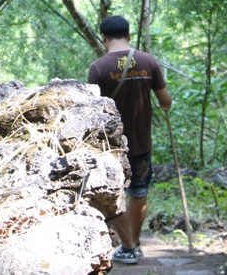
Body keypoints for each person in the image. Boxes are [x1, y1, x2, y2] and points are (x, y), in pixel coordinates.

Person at [87, 15, 172, 266]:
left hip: (110, 146)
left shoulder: (99, 68)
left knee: (112, 194)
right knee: (139, 192)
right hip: (141, 142)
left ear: (103, 37)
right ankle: (135, 243)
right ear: (129, 35)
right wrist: (164, 105)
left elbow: (92, 111)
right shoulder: (148, 61)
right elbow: (165, 100)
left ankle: (127, 246)